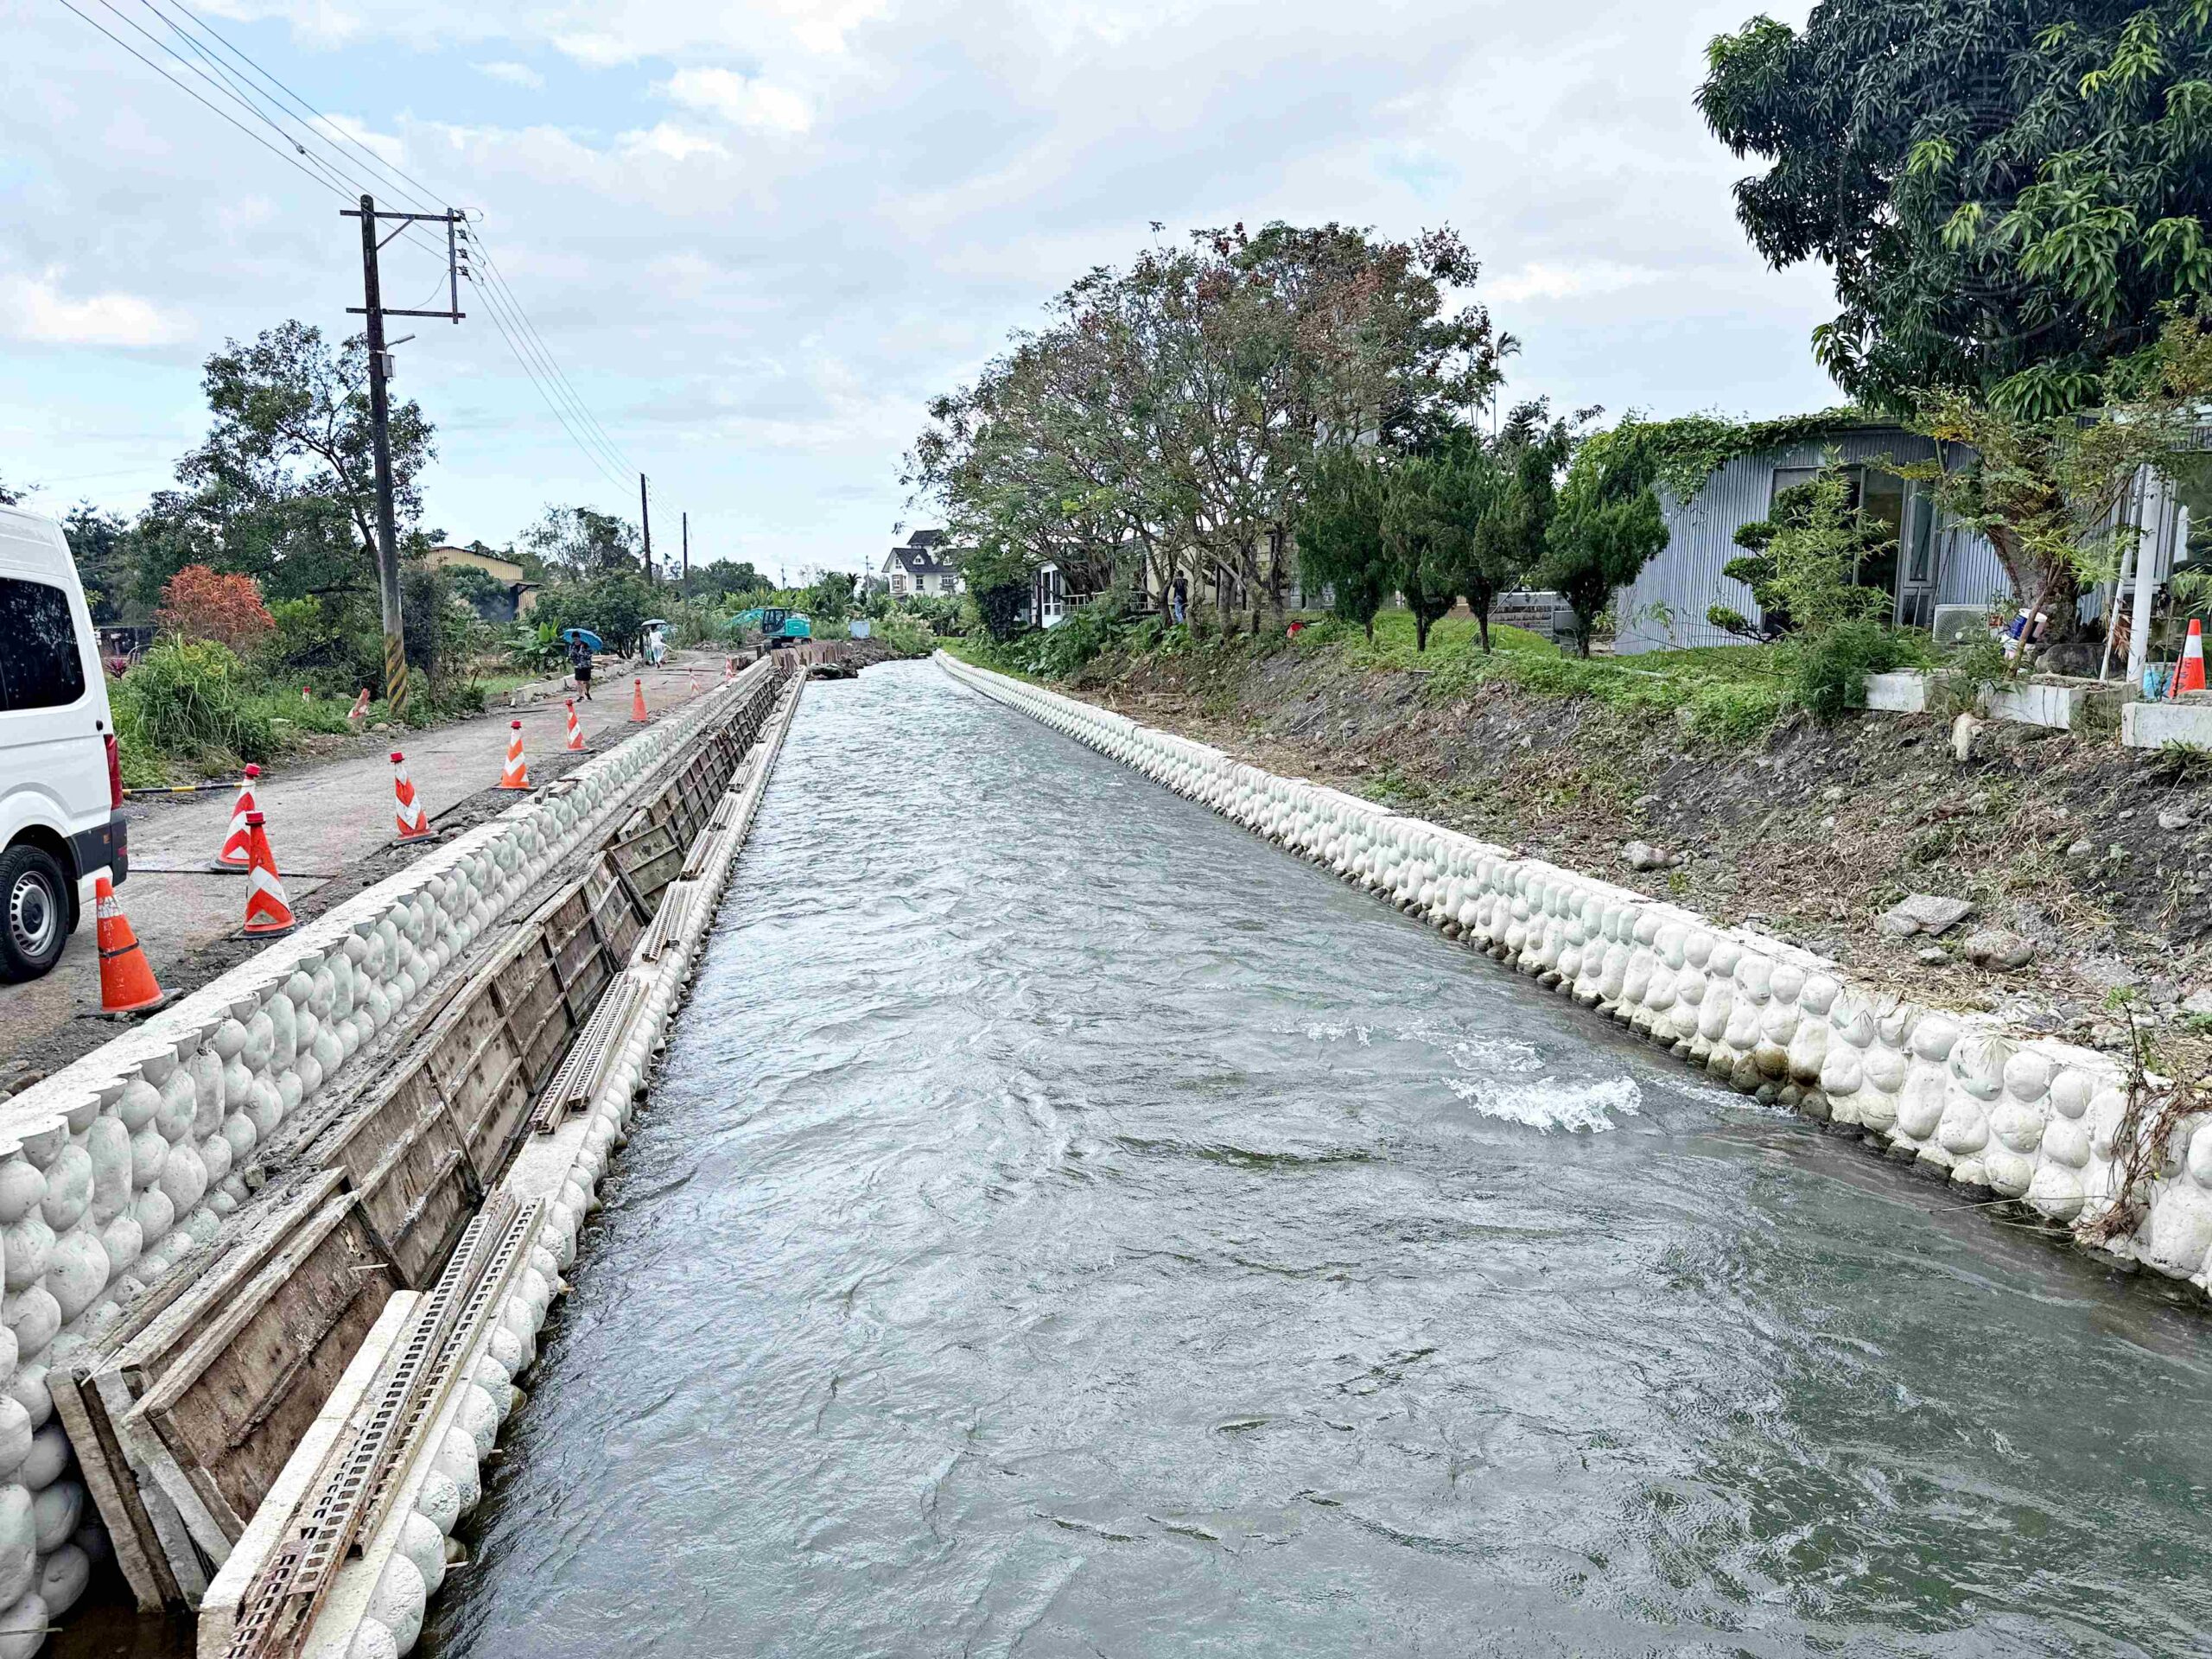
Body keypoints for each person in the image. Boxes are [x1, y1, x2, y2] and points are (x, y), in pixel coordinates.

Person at [569, 633, 595, 700]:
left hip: (586, 665)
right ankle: (581, 696)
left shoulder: (585, 645)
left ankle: (587, 692)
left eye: (577, 638)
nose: (576, 640)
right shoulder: (572, 646)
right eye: (574, 639)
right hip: (578, 665)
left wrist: (582, 653)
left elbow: (590, 654)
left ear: (579, 638)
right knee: (578, 681)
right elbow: (570, 655)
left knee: (587, 681)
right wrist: (573, 655)